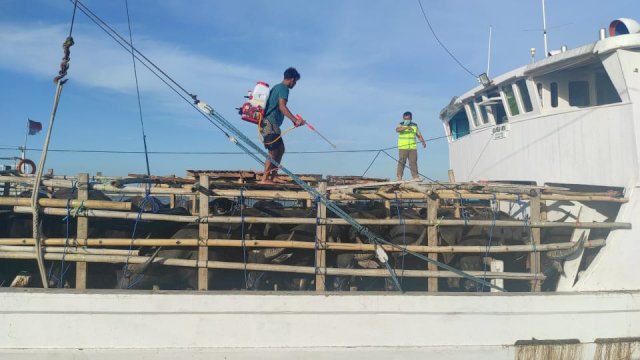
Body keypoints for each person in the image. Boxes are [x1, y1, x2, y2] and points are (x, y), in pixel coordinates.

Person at [260, 67, 305, 184]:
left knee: (280, 149)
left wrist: (294, 120)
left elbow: (280, 108)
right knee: (273, 151)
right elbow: (282, 106)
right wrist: (295, 120)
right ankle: (265, 179)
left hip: (271, 123)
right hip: (270, 123)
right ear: (292, 79)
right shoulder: (284, 88)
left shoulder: (277, 87)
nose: (295, 84)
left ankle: (274, 176)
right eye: (295, 82)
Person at [396, 111, 426, 181]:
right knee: (401, 162)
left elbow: (418, 135)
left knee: (413, 162)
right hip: (403, 147)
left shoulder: (415, 125)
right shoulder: (400, 124)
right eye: (405, 119)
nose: (407, 120)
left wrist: (423, 142)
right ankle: (399, 177)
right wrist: (406, 127)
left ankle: (415, 177)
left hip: (413, 148)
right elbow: (397, 130)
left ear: (411, 118)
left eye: (408, 119)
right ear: (403, 118)